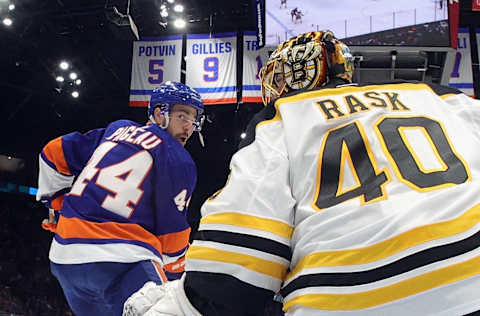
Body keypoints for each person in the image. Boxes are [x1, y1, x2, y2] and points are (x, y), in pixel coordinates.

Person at [124, 31, 480, 316]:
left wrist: (172, 306)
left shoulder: (284, 118)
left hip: (347, 299)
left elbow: (233, 271)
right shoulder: (437, 95)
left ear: (297, 73)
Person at [36, 81, 204, 316]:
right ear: (159, 113)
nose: (189, 127)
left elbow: (53, 154)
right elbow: (172, 239)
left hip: (65, 258)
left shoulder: (117, 129)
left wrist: (55, 204)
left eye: (194, 120)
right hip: (124, 262)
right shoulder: (179, 159)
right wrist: (176, 281)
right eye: (183, 116)